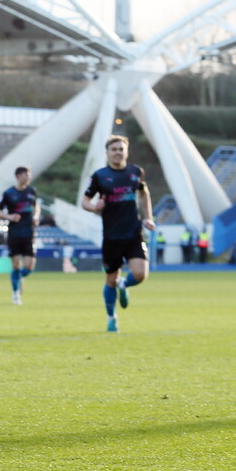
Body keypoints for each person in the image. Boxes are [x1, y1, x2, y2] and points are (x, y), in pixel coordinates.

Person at [81, 135, 155, 332]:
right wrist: (95, 207)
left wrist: (148, 217)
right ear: (107, 153)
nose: (117, 152)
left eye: (121, 149)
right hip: (112, 236)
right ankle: (111, 317)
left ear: (126, 152)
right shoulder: (100, 176)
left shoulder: (135, 172)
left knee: (140, 274)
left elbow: (143, 193)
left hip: (133, 233)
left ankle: (125, 284)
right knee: (110, 280)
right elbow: (84, 201)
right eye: (114, 149)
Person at [0, 166, 40, 305]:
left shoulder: (32, 191)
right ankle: (15, 294)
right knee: (16, 264)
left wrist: (36, 216)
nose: (29, 178)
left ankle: (19, 278)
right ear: (19, 176)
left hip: (29, 233)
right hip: (14, 233)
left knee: (29, 266)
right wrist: (9, 216)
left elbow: (36, 206)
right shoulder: (9, 193)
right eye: (26, 175)